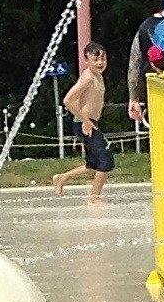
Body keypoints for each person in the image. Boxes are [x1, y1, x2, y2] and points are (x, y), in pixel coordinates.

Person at [49, 45, 117, 203]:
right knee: (106, 160)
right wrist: (85, 120)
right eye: (96, 59)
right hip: (85, 124)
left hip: (90, 123)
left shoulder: (98, 76)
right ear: (86, 61)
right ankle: (94, 198)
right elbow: (68, 100)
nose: (100, 62)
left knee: (93, 164)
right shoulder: (87, 77)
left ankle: (62, 177)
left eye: (103, 59)